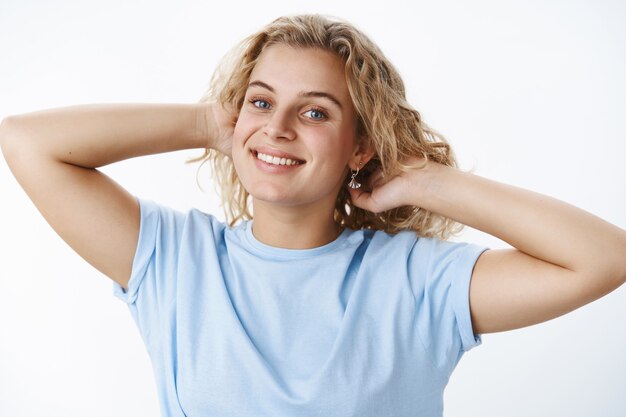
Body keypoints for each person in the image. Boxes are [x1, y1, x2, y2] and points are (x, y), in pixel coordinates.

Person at [1, 13, 624, 417]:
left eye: (316, 112)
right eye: (262, 101)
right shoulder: (172, 258)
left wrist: (425, 180)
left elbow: (604, 258)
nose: (277, 127)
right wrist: (209, 123)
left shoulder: (416, 281)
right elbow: (27, 142)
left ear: (360, 144)